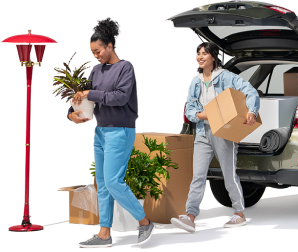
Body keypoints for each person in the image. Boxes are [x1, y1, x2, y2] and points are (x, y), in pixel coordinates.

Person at [68, 18, 154, 248]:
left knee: (115, 182)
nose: (96, 56)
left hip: (121, 131)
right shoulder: (96, 71)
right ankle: (104, 234)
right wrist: (71, 113)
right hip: (101, 133)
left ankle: (144, 221)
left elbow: (120, 97)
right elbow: (82, 95)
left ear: (109, 46)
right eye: (93, 53)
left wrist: (90, 94)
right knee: (104, 185)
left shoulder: (125, 67)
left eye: (98, 51)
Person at [170, 42, 260, 232]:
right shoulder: (196, 81)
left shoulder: (226, 77)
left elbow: (250, 91)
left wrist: (252, 110)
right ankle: (190, 216)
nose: (200, 56)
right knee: (198, 176)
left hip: (224, 133)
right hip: (203, 132)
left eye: (205, 53)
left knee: (229, 175)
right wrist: (207, 115)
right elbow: (190, 109)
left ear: (213, 56)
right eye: (198, 53)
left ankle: (239, 213)